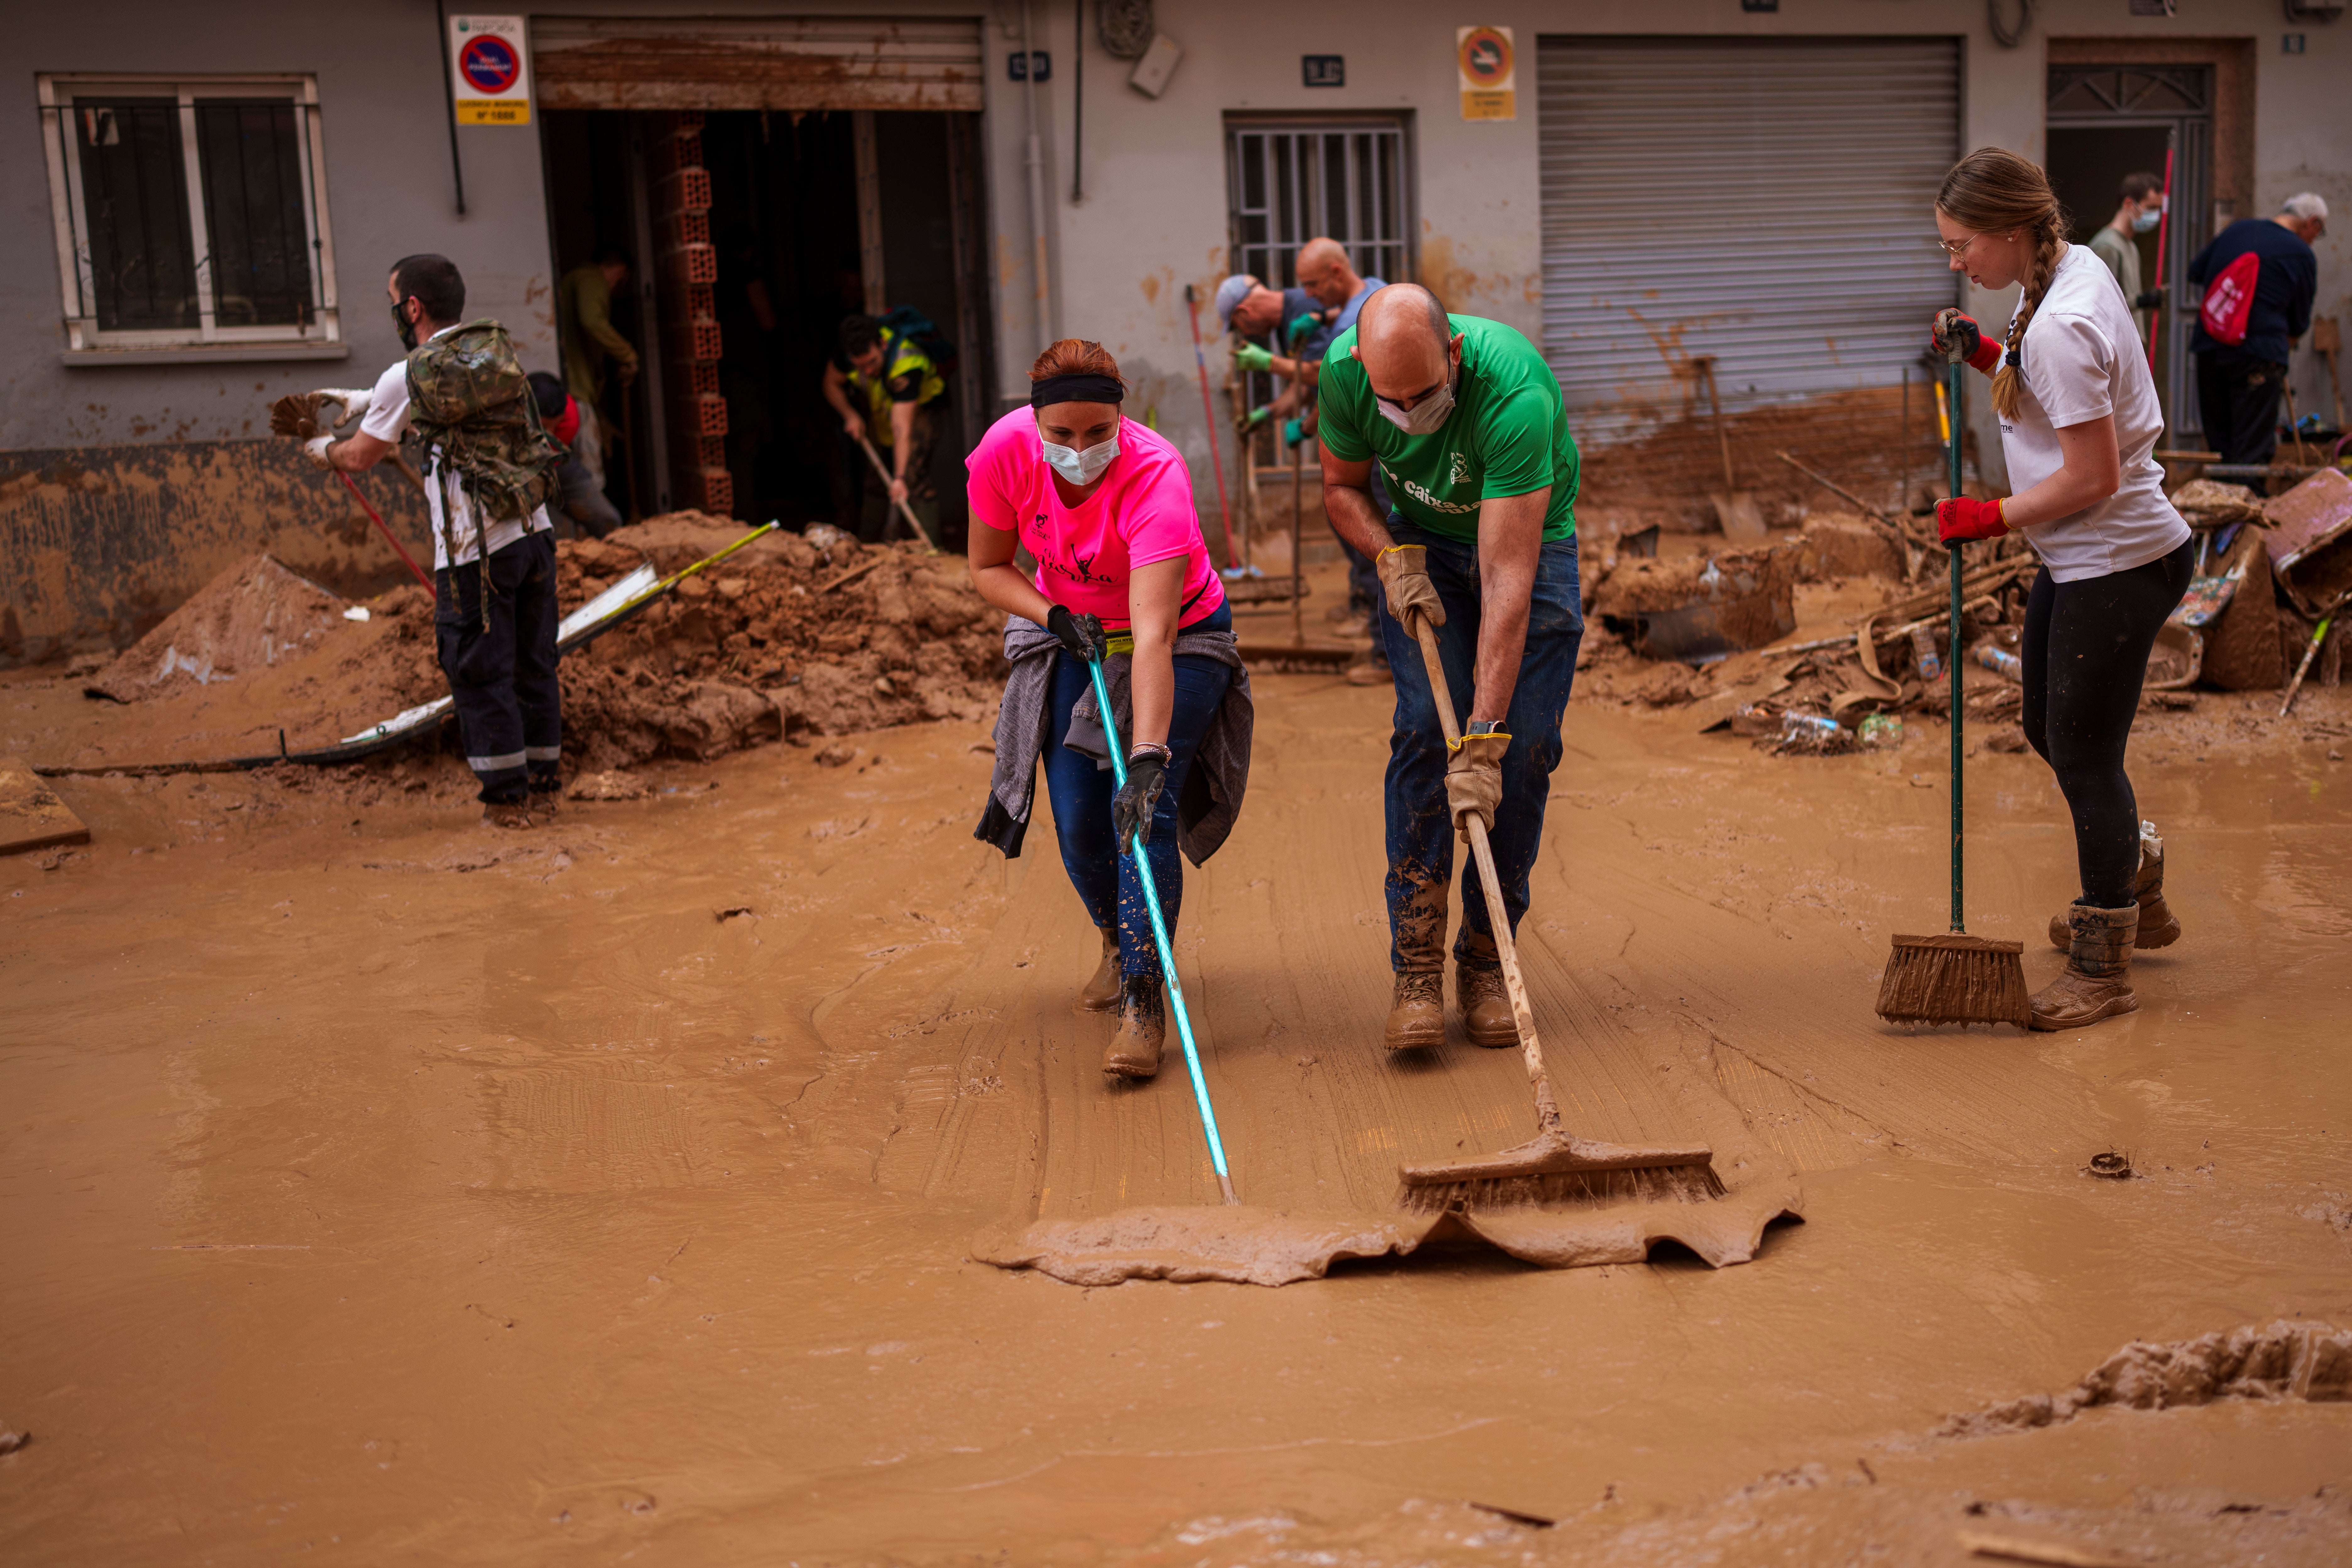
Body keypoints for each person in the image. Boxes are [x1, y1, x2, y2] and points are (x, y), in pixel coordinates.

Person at [1929, 146, 2193, 1030]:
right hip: (2083, 558)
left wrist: (1988, 516)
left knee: (2082, 756)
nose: (1955, 263)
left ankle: (2104, 961)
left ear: (2010, 231)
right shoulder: (2056, 274)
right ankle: (2134, 868)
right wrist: (1982, 353)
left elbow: (2094, 475)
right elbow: (2047, 390)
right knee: (2046, 728)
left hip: (2117, 557)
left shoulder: (2063, 316)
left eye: (1962, 245)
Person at [971, 340, 1254, 1080]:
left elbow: (1156, 633)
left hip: (1182, 631)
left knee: (1142, 809)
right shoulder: (1003, 455)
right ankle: (1115, 934)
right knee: (1078, 818)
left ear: (1120, 417)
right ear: (1034, 424)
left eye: (1098, 432)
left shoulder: (1156, 474)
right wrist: (1051, 612)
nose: (1080, 449)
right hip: (1075, 629)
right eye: (1061, 435)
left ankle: (1143, 997)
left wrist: (1149, 756)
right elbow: (988, 567)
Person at [1315, 284, 1584, 1052]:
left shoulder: (1515, 395)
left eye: (1425, 394)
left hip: (1527, 545)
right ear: (1363, 366)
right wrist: (1388, 557)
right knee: (1427, 737)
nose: (1406, 412)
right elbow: (1341, 486)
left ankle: (1487, 957)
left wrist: (1489, 737)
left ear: (1455, 355)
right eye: (1388, 399)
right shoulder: (1344, 373)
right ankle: (1418, 966)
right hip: (1417, 538)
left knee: (1524, 751)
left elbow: (1507, 581)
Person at [306, 255, 565, 829]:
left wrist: (323, 449)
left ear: (413, 307)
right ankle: (545, 791)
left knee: (477, 669)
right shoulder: (491, 354)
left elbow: (362, 455)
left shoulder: (411, 373)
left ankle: (508, 808)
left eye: (394, 300)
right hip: (535, 533)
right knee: (534, 664)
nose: (396, 311)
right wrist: (368, 397)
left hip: (476, 553)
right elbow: (437, 405)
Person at [1296, 238, 1395, 681]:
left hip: (1371, 448)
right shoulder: (1374, 292)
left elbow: (1328, 380)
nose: (1310, 294)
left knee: (1379, 543)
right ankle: (1380, 636)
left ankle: (1384, 652)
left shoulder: (1353, 323)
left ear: (1337, 272)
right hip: (1382, 442)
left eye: (1314, 285)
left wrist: (1303, 426)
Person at [2186, 194, 2325, 466]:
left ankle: (2221, 501)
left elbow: (2196, 273)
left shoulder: (2236, 230)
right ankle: (2247, 502)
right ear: (2313, 223)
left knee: (2221, 443)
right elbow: (2299, 322)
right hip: (2259, 355)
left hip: (2210, 348)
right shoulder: (2301, 252)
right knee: (2251, 450)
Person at [823, 314, 945, 544]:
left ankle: (931, 550)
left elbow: (902, 428)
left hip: (921, 410)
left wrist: (899, 477)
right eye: (861, 366)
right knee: (875, 477)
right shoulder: (848, 355)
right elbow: (830, 382)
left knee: (913, 475)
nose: (867, 371)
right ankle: (868, 544)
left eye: (872, 363)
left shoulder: (907, 363)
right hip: (882, 407)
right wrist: (851, 416)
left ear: (883, 345)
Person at [556, 244, 639, 494]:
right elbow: (592, 320)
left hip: (572, 391)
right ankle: (597, 527)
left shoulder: (572, 280)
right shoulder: (591, 279)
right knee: (590, 476)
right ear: (621, 271)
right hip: (577, 394)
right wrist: (628, 354)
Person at [528, 371, 623, 539]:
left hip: (556, 465)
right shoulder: (512, 415)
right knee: (553, 536)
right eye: (544, 428)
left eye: (554, 427)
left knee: (608, 520)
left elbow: (549, 453)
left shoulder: (570, 417)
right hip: (523, 474)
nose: (550, 434)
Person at [2085, 171, 2165, 346]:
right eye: (2151, 208)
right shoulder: (2107, 246)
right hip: (2114, 345)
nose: (2155, 215)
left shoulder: (2130, 246)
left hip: (2130, 344)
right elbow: (2100, 304)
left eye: (2159, 209)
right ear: (2129, 204)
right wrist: (2141, 301)